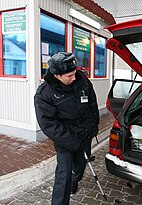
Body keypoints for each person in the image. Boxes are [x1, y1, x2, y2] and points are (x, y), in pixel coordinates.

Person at [34, 52, 99, 204]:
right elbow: (48, 124)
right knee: (64, 173)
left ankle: (74, 182)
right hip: (66, 138)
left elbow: (92, 104)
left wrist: (92, 126)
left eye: (74, 73)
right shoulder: (45, 94)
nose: (74, 78)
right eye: (69, 76)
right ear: (57, 75)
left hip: (85, 133)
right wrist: (72, 141)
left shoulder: (82, 79)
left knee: (80, 165)